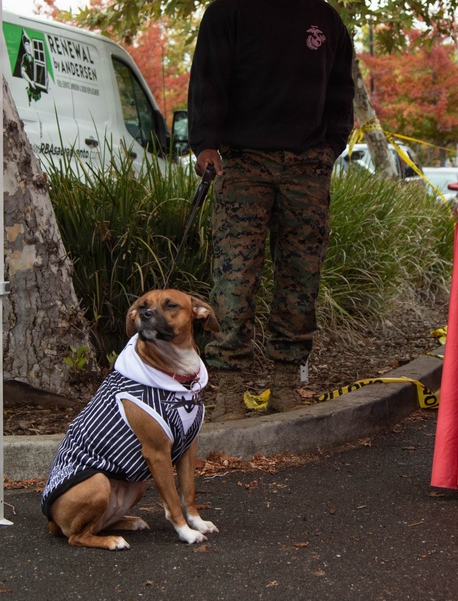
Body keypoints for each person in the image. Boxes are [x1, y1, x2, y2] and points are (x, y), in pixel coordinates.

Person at [187, 0, 355, 421]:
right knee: (235, 277)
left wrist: (330, 147)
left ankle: (285, 381)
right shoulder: (229, 11)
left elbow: (341, 90)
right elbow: (208, 78)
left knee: (302, 275)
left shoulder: (326, 18)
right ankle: (228, 391)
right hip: (243, 162)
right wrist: (205, 142)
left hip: (308, 165)